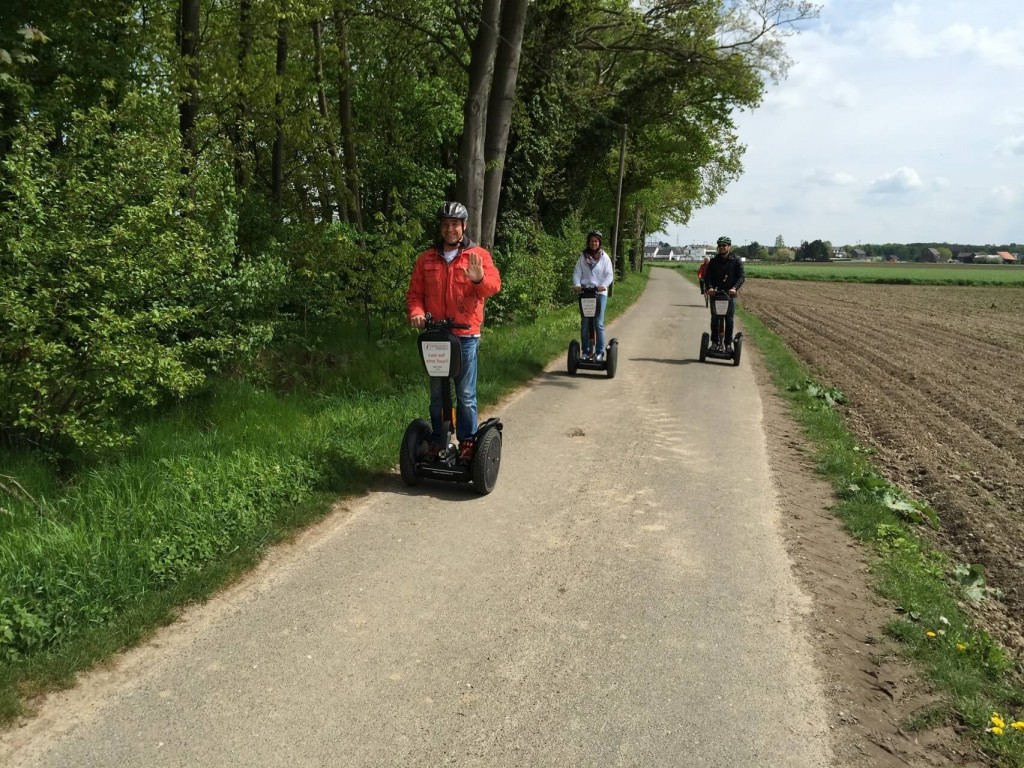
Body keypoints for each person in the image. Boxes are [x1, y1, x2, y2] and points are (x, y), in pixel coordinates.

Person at [407, 202, 501, 461]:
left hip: (465, 334)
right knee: (437, 394)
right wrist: (416, 313)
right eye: (445, 224)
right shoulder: (426, 259)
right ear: (441, 227)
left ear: (464, 226)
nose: (450, 229)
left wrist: (479, 279)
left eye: (455, 224)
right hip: (436, 335)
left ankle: (468, 442)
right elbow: (415, 294)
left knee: (465, 394)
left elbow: (493, 287)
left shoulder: (477, 255)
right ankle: (439, 440)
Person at [571, 230, 614, 361]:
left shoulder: (605, 257)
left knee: (598, 323)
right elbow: (577, 273)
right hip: (585, 293)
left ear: (599, 242)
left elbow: (609, 275)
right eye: (591, 241)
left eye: (596, 241)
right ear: (588, 242)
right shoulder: (583, 257)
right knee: (585, 323)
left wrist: (604, 285)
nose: (594, 243)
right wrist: (577, 284)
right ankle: (586, 351)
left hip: (600, 294)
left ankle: (599, 352)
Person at [703, 236, 745, 352]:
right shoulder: (714, 261)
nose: (721, 247)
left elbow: (741, 277)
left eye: (724, 245)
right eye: (720, 245)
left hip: (729, 294)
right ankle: (715, 343)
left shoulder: (736, 260)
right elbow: (708, 277)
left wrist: (734, 288)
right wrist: (710, 288)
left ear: (729, 247)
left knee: (729, 319)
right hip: (716, 293)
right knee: (715, 319)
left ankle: (727, 344)